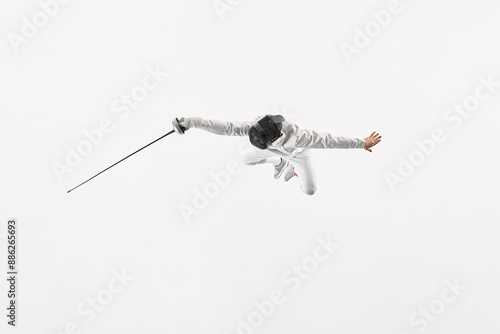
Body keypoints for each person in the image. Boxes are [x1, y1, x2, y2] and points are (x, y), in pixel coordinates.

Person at [172, 114, 381, 195]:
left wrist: (362, 143)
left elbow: (331, 141)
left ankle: (288, 163)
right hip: (278, 153)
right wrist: (190, 123)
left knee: (309, 190)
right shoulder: (254, 126)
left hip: (298, 154)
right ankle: (279, 160)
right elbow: (224, 126)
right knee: (244, 157)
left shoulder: (301, 137)